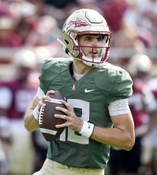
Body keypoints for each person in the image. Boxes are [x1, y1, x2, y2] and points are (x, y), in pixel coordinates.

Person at [24, 8, 135, 175]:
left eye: (100, 38)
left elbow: (127, 139)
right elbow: (28, 124)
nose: (96, 45)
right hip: (51, 167)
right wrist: (40, 110)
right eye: (89, 38)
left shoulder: (113, 79)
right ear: (70, 40)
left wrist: (81, 126)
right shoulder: (53, 70)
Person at [109, 53, 157, 175]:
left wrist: (147, 130)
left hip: (137, 135)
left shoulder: (142, 89)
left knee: (134, 169)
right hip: (117, 135)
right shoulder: (114, 92)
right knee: (117, 169)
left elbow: (153, 111)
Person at [0, 48, 38, 175]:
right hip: (15, 128)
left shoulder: (35, 82)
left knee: (28, 166)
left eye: (27, 68)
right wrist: (5, 131)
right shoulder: (8, 83)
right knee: (15, 167)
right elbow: (1, 110)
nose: (25, 71)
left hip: (32, 129)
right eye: (22, 67)